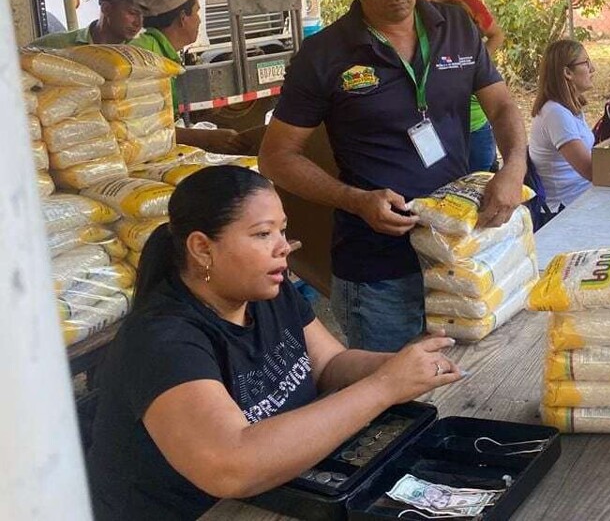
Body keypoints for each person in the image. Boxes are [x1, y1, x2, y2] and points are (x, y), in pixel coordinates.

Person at [87, 165, 461, 521]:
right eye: (263, 234)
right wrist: (383, 387)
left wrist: (399, 367)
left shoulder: (266, 292)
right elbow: (231, 466)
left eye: (282, 231)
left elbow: (329, 365)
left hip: (281, 493)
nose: (283, 247)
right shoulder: (162, 339)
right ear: (202, 248)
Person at [258, 0, 527, 352]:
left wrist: (513, 168)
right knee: (393, 387)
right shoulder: (323, 55)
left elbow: (500, 106)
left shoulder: (457, 27)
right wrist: (355, 200)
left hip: (458, 251)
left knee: (475, 376)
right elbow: (276, 157)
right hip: (379, 272)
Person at [130, 0, 247, 155]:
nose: (199, 20)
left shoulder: (161, 51)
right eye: (196, 12)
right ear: (183, 18)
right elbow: (140, 128)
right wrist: (204, 138)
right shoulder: (145, 58)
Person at [422, 0, 505, 173]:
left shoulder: (469, 6)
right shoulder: (415, 12)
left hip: (475, 120)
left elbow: (497, 35)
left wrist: (475, 65)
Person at [530, 39, 596, 214]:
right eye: (586, 63)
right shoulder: (556, 113)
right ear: (567, 72)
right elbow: (591, 170)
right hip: (566, 209)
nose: (593, 69)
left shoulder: (566, 109)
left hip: (582, 197)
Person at [31, 0, 143, 47]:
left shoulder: (141, 53)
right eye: (133, 13)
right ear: (106, 9)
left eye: (144, 16)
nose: (138, 23)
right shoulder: (56, 46)